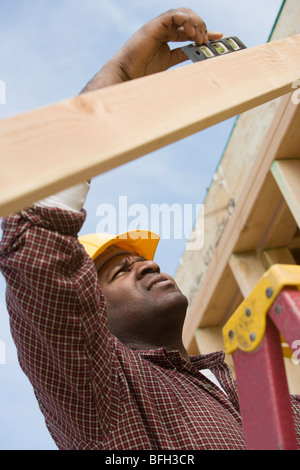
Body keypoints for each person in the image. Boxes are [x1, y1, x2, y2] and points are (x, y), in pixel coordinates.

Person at [1, 8, 300, 451]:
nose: (148, 265)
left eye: (140, 259)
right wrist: (119, 79)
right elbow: (36, 237)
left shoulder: (271, 402)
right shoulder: (102, 397)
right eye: (119, 270)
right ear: (90, 316)